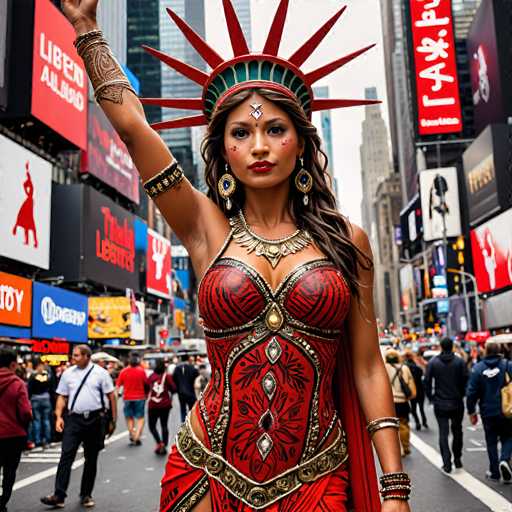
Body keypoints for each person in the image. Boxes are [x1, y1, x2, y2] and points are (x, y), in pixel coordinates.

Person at [62, 1, 413, 510]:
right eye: (241, 133)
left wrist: (394, 486)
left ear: (300, 141)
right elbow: (134, 128)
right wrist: (87, 29)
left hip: (318, 477)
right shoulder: (203, 226)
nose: (259, 145)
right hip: (206, 473)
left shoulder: (346, 240)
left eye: (275, 129)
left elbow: (367, 366)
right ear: (223, 148)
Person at [41, 344, 116, 509]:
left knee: (91, 459)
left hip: (95, 420)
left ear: (87, 357)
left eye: (76, 355)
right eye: (73, 355)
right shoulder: (68, 374)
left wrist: (113, 420)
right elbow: (62, 396)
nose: (73, 358)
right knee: (66, 456)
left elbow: (112, 397)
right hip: (74, 420)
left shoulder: (101, 374)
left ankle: (86, 494)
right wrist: (59, 416)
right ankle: (59, 495)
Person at [467, 341, 512, 483]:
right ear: (499, 350)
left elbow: (471, 392)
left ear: (485, 351)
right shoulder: (507, 365)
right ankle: (504, 459)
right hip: (506, 410)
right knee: (509, 436)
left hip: (487, 411)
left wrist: (471, 411)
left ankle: (494, 472)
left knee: (491, 441)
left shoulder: (477, 368)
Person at [424, 337, 468, 473]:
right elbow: (466, 379)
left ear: (441, 347)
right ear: (452, 346)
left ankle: (447, 463)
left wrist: (431, 398)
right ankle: (458, 459)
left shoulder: (433, 363)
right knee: (457, 431)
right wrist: (461, 393)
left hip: (440, 403)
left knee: (443, 433)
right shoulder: (460, 362)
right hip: (456, 402)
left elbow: (426, 381)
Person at [0, 348, 32, 512]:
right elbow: (26, 412)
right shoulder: (17, 383)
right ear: (12, 364)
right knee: (9, 470)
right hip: (13, 435)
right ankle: (2, 501)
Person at [385, 350, 416, 457]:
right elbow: (412, 390)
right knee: (403, 425)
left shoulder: (384, 368)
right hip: (402, 402)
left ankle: (394, 449)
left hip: (389, 402)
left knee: (390, 427)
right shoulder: (404, 368)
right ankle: (406, 446)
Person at [116, 351, 149, 446]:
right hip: (140, 397)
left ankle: (132, 433)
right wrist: (146, 394)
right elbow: (146, 384)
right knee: (140, 418)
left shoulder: (123, 371)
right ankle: (137, 436)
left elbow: (118, 386)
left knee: (129, 417)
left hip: (127, 398)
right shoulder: (141, 371)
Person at [147, 360, 177, 455]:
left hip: (153, 405)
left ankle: (159, 442)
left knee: (152, 426)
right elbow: (174, 389)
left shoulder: (151, 376)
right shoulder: (167, 376)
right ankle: (164, 444)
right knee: (164, 425)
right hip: (165, 404)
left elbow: (146, 387)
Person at [27, 359, 54, 448]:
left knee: (36, 420)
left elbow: (29, 388)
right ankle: (47, 439)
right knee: (46, 420)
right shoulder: (48, 376)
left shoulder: (33, 376)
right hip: (46, 398)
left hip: (35, 398)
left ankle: (37, 440)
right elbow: (52, 388)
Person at [403, 350, 428, 431]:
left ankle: (417, 422)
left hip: (412, 390)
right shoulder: (417, 367)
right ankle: (424, 421)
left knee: (413, 409)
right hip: (420, 389)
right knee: (421, 408)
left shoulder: (405, 368)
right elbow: (423, 373)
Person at [172, 355, 199, 423]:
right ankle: (191, 424)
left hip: (181, 392)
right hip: (191, 391)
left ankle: (184, 425)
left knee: (182, 409)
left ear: (181, 359)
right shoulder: (192, 368)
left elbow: (174, 378)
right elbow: (197, 377)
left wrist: (178, 386)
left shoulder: (177, 368)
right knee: (192, 410)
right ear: (189, 359)